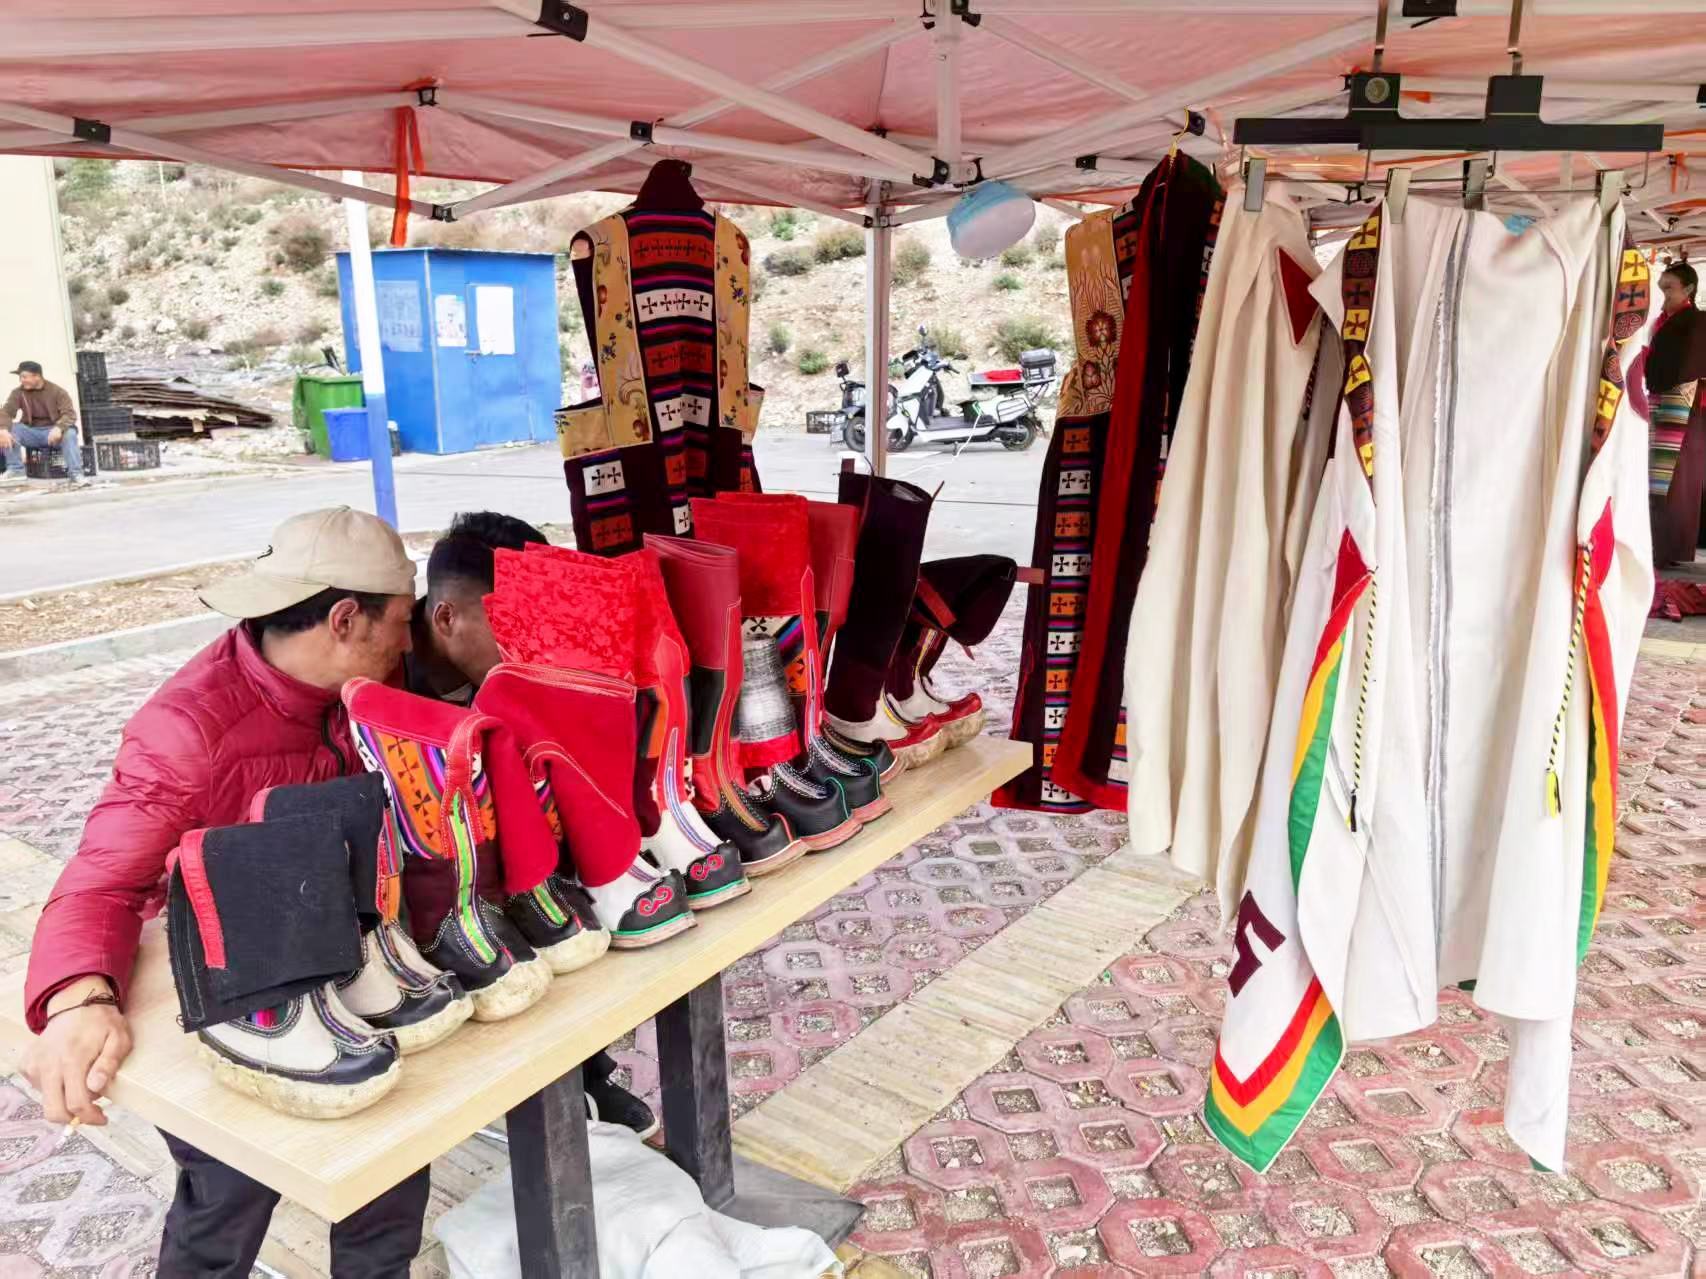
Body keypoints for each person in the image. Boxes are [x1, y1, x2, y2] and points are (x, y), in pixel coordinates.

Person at [20, 506, 423, 1277]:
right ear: (345, 619)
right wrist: (79, 999)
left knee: (391, 1161)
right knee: (229, 1191)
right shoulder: (187, 730)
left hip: (348, 967)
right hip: (233, 988)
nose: (410, 644)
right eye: (401, 623)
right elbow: (100, 882)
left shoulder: (370, 680)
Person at [407, 510, 660, 1138]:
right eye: (511, 625)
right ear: (447, 618)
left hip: (508, 872)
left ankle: (586, 1074)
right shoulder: (393, 684)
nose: (529, 644)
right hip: (426, 896)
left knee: (568, 910)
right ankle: (536, 1094)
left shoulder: (513, 674)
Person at [1632, 262, 1706, 565]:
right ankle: (1653, 545)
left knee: (1673, 476)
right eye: (1660, 287)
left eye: (1668, 288)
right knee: (1654, 472)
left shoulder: (1697, 321)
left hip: (1683, 403)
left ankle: (1668, 548)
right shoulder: (1663, 320)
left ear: (1688, 289)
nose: (1662, 294)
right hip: (1660, 397)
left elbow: (1690, 365)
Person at [1, 360, 85, 487]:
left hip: (53, 434)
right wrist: (2, 429)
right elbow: (6, 412)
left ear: (37, 376)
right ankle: (16, 470)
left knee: (70, 433)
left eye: (24, 377)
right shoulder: (18, 392)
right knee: (10, 429)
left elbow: (70, 414)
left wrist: (59, 427)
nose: (21, 380)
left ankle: (76, 474)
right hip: (32, 433)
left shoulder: (57, 391)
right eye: (21, 377)